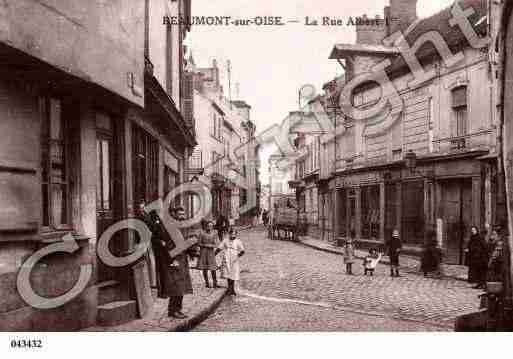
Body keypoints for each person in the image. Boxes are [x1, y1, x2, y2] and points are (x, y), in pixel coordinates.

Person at [165, 206, 195, 319]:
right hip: (175, 260)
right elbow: (168, 245)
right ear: (175, 214)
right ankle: (173, 310)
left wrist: (191, 252)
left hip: (183, 259)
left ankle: (177, 309)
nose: (182, 216)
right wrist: (172, 260)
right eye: (180, 214)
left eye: (183, 214)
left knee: (182, 286)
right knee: (176, 286)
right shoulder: (171, 227)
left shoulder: (184, 226)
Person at [217, 228, 245, 295]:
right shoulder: (225, 240)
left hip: (234, 258)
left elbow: (242, 251)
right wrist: (214, 254)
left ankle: (232, 289)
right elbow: (219, 248)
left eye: (234, 234)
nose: (232, 236)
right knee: (227, 273)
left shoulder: (238, 241)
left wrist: (237, 256)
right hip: (226, 258)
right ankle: (229, 288)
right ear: (229, 234)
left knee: (233, 273)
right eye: (231, 234)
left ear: (236, 235)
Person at [197, 221, 219, 288]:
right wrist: (205, 245)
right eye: (208, 225)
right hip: (203, 252)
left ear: (213, 227)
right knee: (205, 268)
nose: (210, 227)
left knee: (213, 268)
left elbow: (216, 244)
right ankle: (207, 283)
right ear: (206, 226)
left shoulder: (215, 233)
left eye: (211, 226)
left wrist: (210, 245)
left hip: (211, 253)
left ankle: (215, 283)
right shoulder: (202, 233)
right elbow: (199, 243)